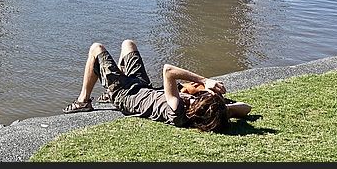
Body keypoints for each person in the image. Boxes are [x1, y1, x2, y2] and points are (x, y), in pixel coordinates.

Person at [63, 39, 251, 132]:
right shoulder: (209, 114)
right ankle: (109, 90)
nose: (195, 97)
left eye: (197, 99)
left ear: (195, 109)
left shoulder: (177, 111)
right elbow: (246, 108)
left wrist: (205, 81)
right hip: (142, 86)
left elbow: (168, 70)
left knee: (96, 49)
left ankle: (83, 101)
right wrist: (224, 108)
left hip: (125, 95)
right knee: (128, 44)